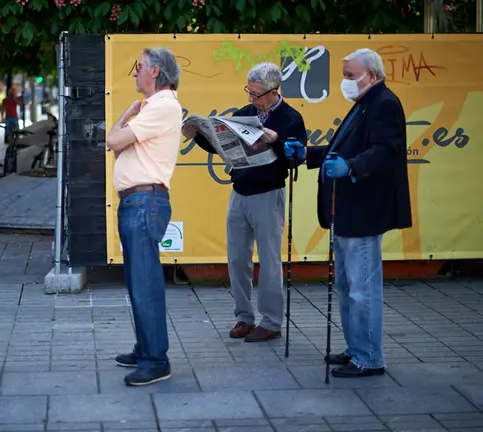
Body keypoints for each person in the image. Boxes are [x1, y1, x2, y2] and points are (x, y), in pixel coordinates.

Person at [284, 48, 411, 378]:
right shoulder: (364, 104)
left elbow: (386, 152)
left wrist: (351, 168)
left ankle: (369, 358)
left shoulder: (384, 104)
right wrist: (307, 155)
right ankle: (357, 348)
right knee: (347, 285)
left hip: (364, 209)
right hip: (347, 210)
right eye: (344, 75)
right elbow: (339, 149)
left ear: (372, 74)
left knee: (361, 289)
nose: (345, 81)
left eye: (350, 75)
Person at [186, 62, 307, 343]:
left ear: (274, 91)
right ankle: (243, 316)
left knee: (269, 259)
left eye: (256, 94)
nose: (251, 99)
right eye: (249, 92)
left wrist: (276, 142)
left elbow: (297, 157)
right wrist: (200, 136)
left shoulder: (291, 118)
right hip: (239, 191)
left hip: (268, 193)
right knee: (237, 257)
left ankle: (272, 321)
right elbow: (223, 146)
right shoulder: (245, 114)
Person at [106, 47, 182, 386]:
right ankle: (146, 349)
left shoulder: (163, 105)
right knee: (140, 280)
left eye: (139, 67)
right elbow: (120, 145)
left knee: (145, 283)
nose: (135, 72)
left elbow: (113, 140)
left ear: (154, 71)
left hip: (143, 203)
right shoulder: (155, 107)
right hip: (140, 203)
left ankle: (155, 360)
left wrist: (123, 117)